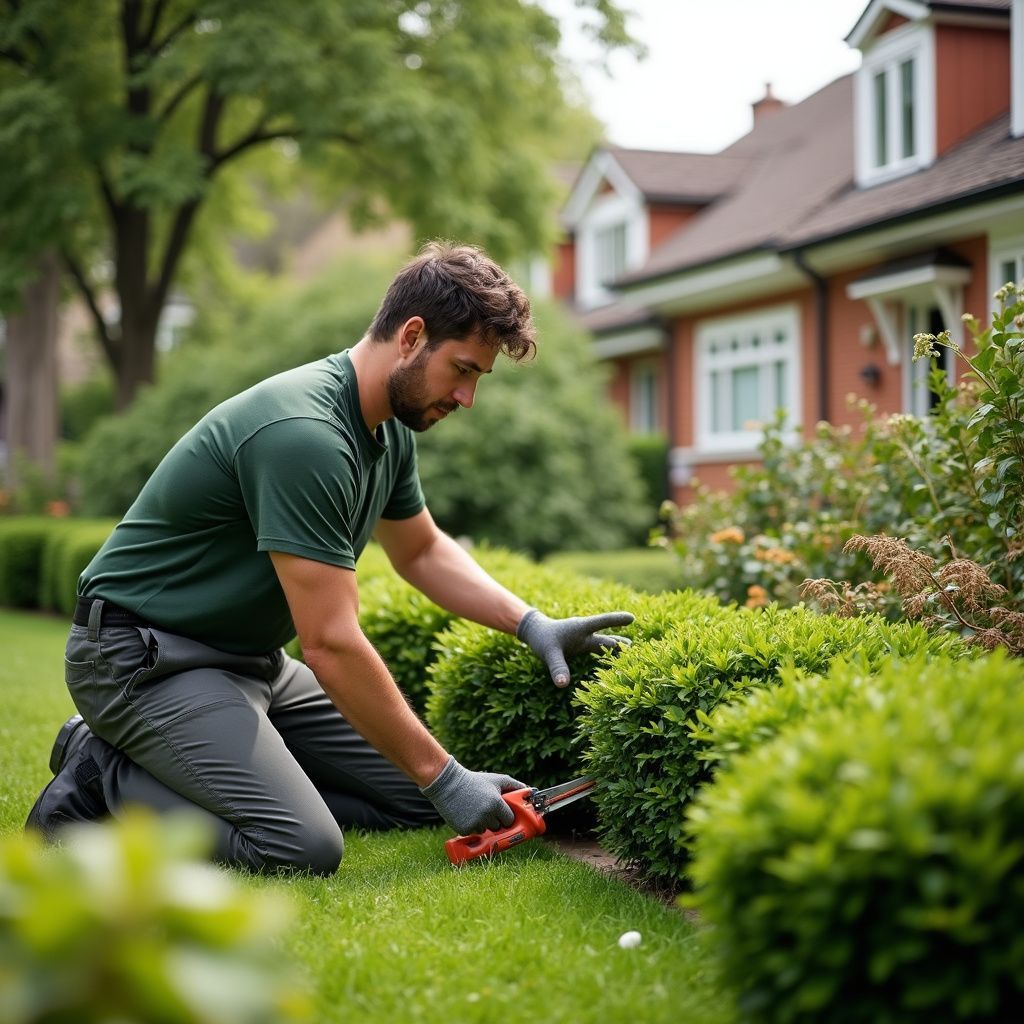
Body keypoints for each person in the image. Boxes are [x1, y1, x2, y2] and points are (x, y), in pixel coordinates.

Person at [26, 242, 633, 874]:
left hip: (251, 663)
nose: (468, 396)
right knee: (299, 845)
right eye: (462, 370)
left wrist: (530, 624)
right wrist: (447, 777)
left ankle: (226, 771)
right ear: (412, 336)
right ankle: (100, 771)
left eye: (477, 377)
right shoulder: (306, 436)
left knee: (414, 798)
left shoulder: (388, 429)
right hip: (143, 659)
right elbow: (331, 643)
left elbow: (421, 550)